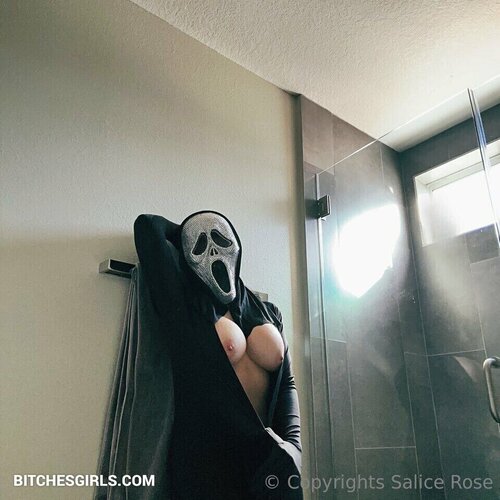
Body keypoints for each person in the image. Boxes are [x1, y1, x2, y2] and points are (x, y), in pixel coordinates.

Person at [134, 211, 302, 499]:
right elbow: (147, 226)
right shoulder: (184, 310)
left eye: (221, 240)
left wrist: (294, 446)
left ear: (236, 244)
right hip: (208, 465)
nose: (213, 251)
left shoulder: (268, 311)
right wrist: (185, 233)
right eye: (199, 246)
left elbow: (287, 382)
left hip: (272, 460)